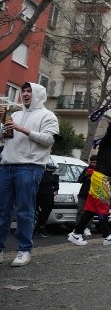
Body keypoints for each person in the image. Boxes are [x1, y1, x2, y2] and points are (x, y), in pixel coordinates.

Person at [0, 82, 59, 267]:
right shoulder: (15, 114)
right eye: (23, 91)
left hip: (30, 166)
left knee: (25, 210)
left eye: (29, 91)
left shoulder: (48, 116)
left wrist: (22, 129)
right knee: (1, 211)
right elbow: (4, 139)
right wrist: (2, 125)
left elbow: (49, 140)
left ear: (38, 94)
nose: (25, 94)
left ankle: (24, 250)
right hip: (7, 165)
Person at [68, 104, 111, 247]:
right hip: (100, 178)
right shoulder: (106, 143)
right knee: (103, 207)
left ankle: (76, 234)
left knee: (90, 209)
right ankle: (107, 236)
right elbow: (110, 130)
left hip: (103, 179)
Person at [33, 162, 60, 237]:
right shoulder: (51, 176)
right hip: (46, 196)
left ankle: (37, 228)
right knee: (45, 212)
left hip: (40, 195)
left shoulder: (41, 174)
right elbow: (56, 187)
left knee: (38, 212)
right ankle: (40, 227)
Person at [76, 155, 97, 238]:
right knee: (80, 210)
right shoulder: (87, 169)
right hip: (83, 193)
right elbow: (79, 180)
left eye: (95, 162)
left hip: (93, 194)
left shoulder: (100, 170)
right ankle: (78, 228)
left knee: (90, 212)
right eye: (92, 162)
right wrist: (86, 175)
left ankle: (87, 227)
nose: (93, 164)